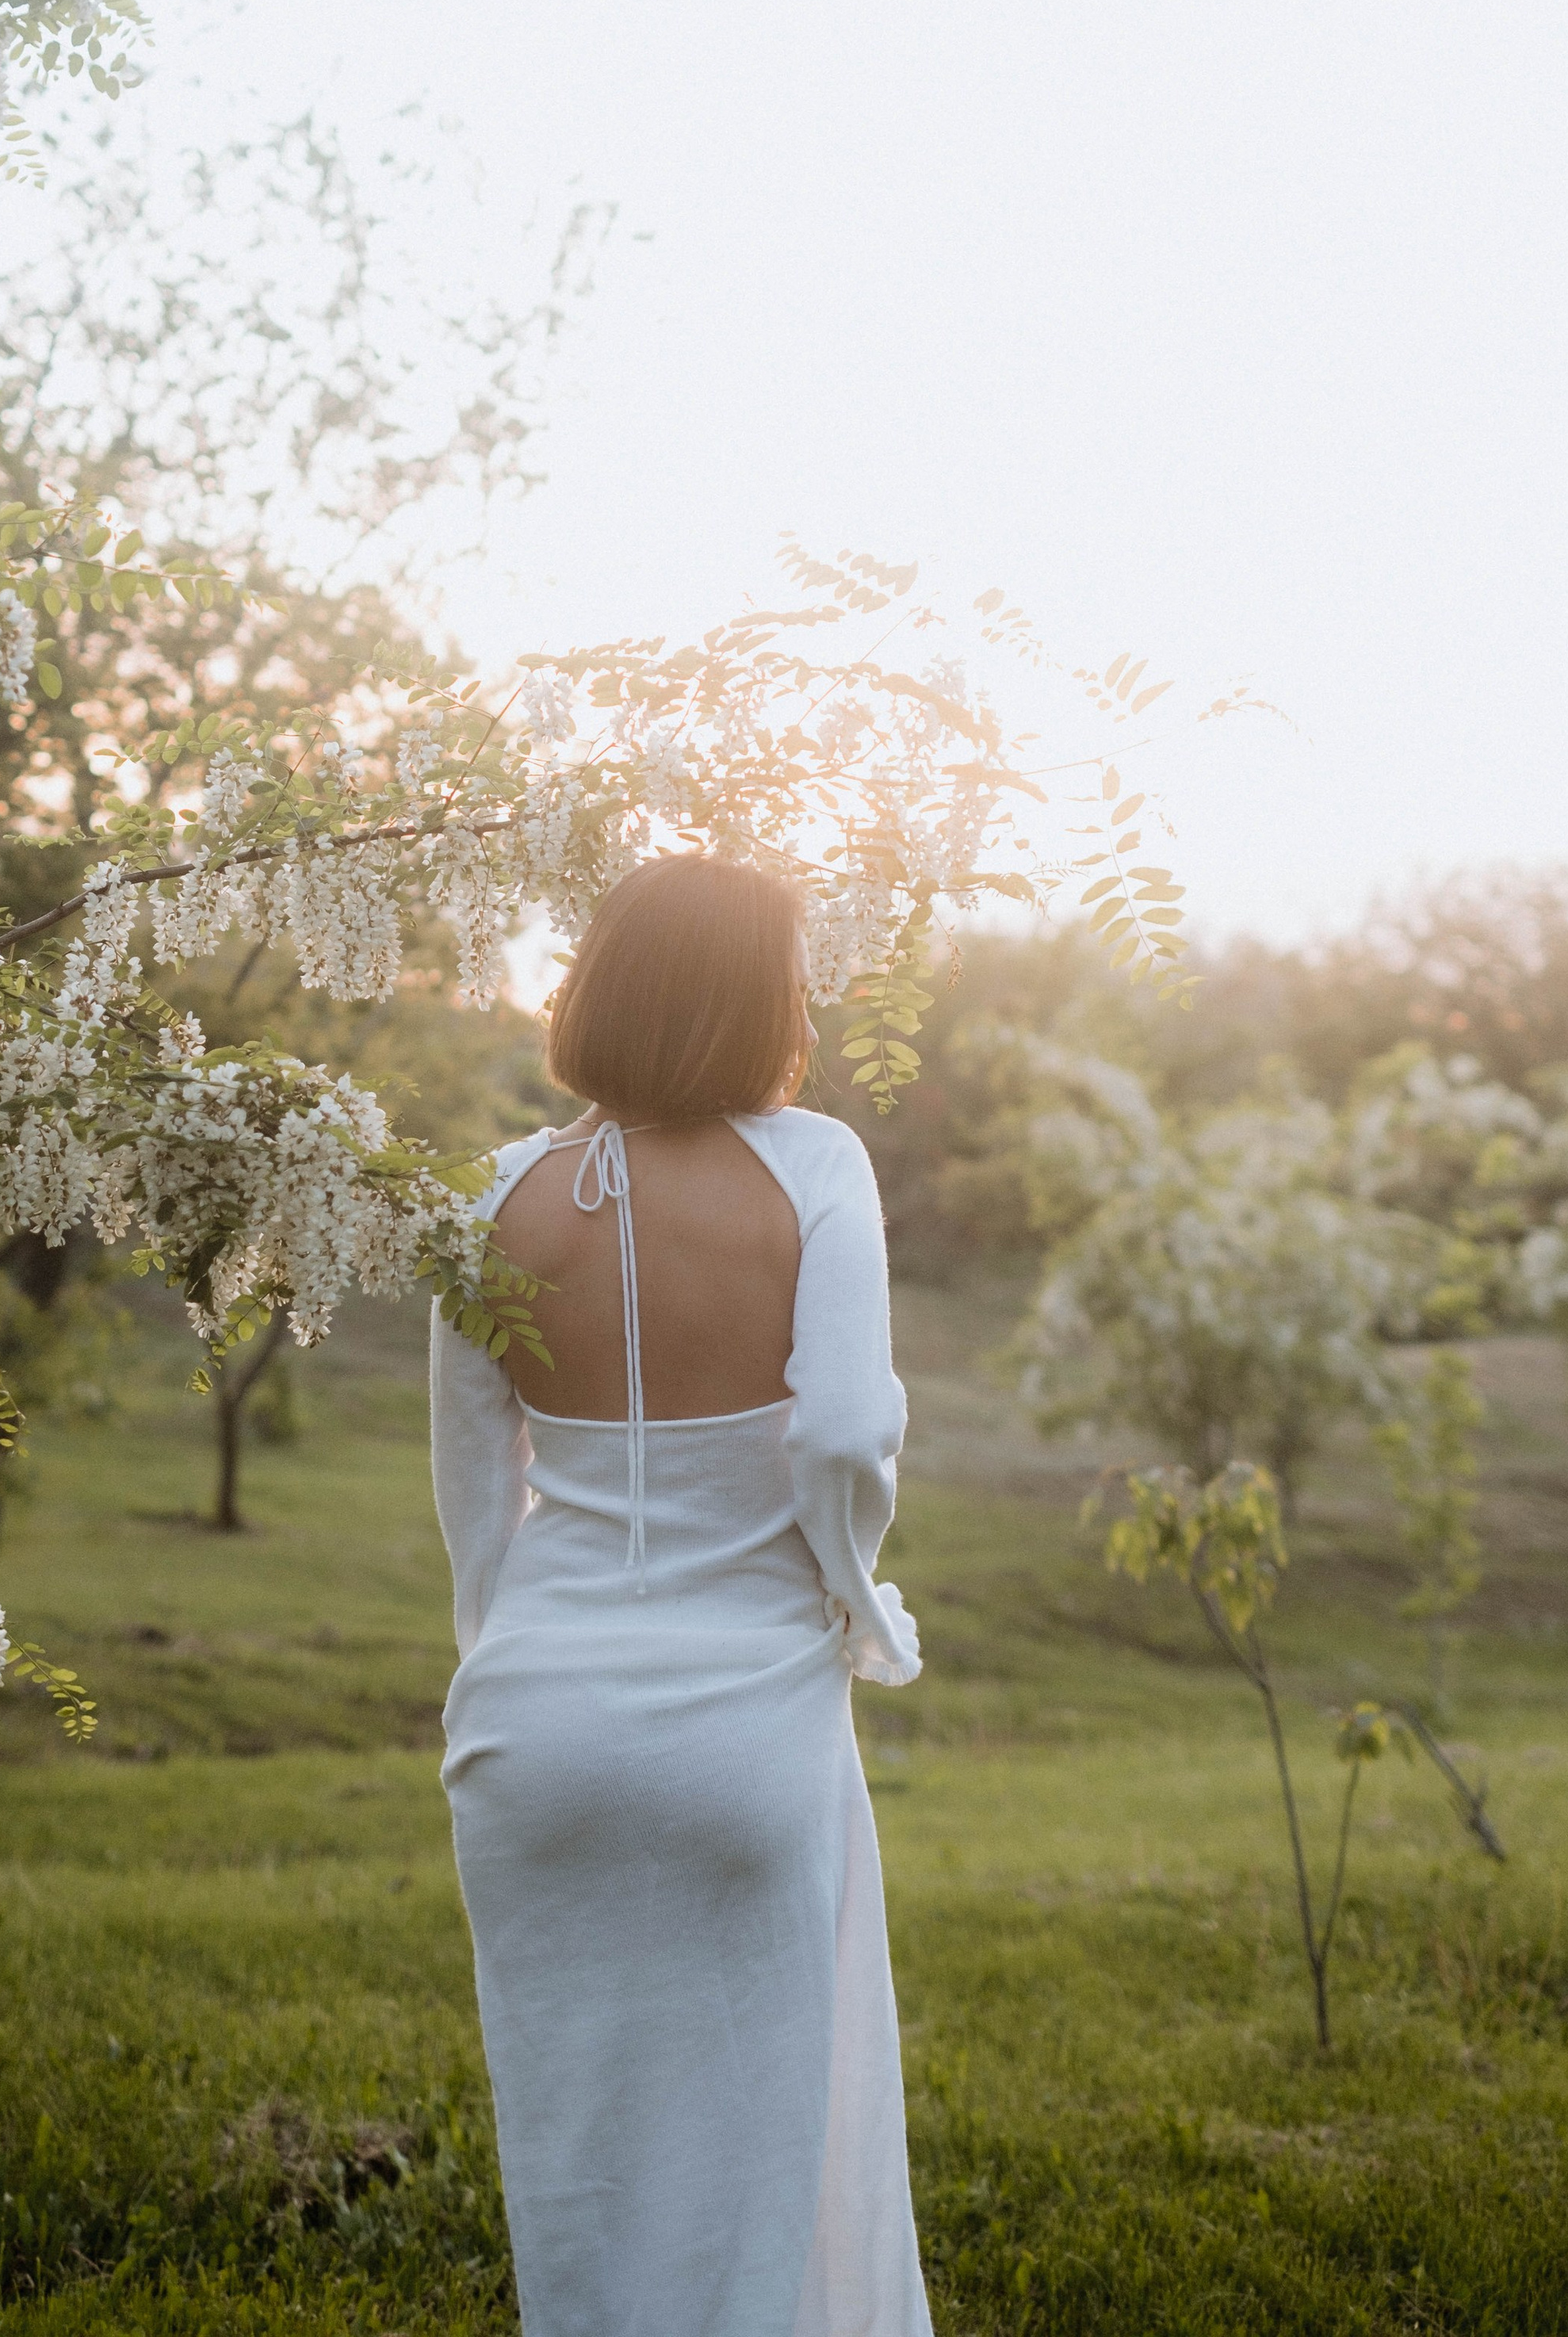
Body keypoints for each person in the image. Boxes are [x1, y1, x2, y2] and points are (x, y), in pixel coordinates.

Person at [433, 851, 933, 2337]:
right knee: (779, 2147)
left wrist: (500, 1663)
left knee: (582, 2158)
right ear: (759, 1003)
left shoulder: (493, 1194)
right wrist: (856, 1601)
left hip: (530, 1729)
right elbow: (846, 1429)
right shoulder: (817, 1164)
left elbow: (474, 1485)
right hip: (749, 1726)